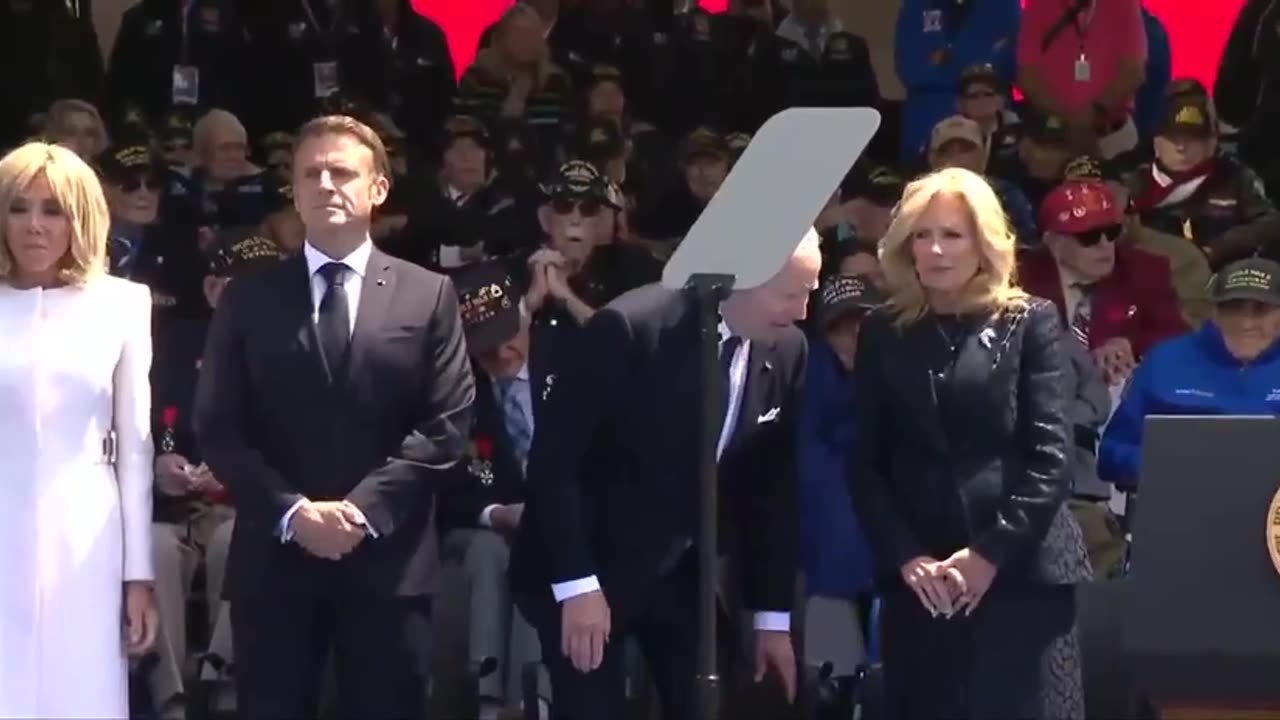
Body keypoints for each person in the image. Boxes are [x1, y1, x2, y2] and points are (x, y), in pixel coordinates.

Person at [193, 115, 477, 719]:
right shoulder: (249, 297)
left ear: (377, 188)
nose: (326, 184)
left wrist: (360, 512)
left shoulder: (428, 295)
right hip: (274, 568)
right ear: (293, 192)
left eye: (342, 171)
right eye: (311, 173)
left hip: (389, 567)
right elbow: (220, 426)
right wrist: (294, 514)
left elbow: (445, 425)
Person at [508, 227, 819, 719]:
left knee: (716, 705)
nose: (803, 310)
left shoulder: (788, 350)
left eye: (810, 292)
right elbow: (555, 462)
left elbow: (773, 490)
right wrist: (579, 586)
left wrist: (771, 617)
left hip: (681, 567)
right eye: (791, 293)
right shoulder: (632, 326)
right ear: (744, 280)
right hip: (590, 556)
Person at [848, 167, 1092, 719]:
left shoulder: (1031, 321)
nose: (935, 250)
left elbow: (1051, 458)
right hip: (924, 585)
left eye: (952, 235)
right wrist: (907, 557)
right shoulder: (883, 331)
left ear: (984, 242)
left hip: (1021, 578)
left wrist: (987, 557)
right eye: (922, 235)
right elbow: (866, 463)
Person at [0, 141, 159, 716]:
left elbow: (136, 450)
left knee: (83, 694)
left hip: (89, 539)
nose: (34, 226)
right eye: (19, 208)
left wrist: (137, 575)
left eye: (53, 209)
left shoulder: (121, 303)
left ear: (82, 217)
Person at [438, 261, 552, 719]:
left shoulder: (570, 365)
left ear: (526, 318)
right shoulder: (452, 392)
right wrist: (498, 513)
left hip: (563, 521)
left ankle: (533, 703)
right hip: (479, 527)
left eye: (511, 338)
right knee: (493, 551)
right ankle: (489, 701)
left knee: (543, 542)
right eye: (486, 350)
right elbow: (443, 488)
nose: (504, 355)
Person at [1098, 257, 1280, 490]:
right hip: (1179, 499)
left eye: (1261, 310)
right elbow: (1111, 454)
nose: (1245, 322)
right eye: (1232, 308)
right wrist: (1170, 466)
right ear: (1214, 312)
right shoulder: (1165, 360)